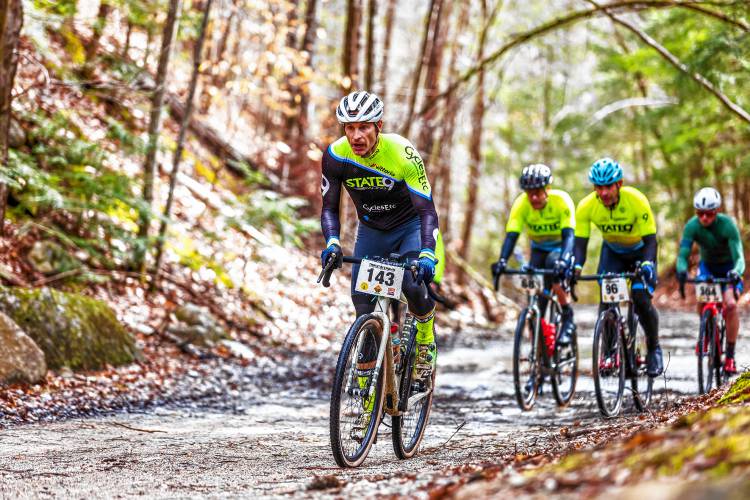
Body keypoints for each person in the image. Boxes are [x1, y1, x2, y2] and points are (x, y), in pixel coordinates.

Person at [320, 90, 440, 388]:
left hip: (409, 227)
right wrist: (333, 242)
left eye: (364, 127)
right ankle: (366, 400)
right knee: (363, 303)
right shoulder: (336, 156)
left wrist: (426, 252)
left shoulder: (402, 153)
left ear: (379, 126)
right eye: (350, 128)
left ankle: (425, 339)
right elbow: (328, 208)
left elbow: (427, 211)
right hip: (372, 232)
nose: (356, 136)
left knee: (412, 285)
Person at [573, 157, 663, 377]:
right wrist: (575, 269)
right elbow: (579, 246)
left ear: (619, 184)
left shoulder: (636, 200)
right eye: (598, 187)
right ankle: (609, 352)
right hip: (613, 253)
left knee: (641, 299)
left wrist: (647, 264)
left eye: (608, 187)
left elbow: (651, 240)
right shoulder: (586, 206)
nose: (603, 193)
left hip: (641, 252)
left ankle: (654, 348)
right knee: (607, 299)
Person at [491, 164, 577, 344]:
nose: (534, 197)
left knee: (555, 273)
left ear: (548, 189)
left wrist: (564, 260)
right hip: (538, 249)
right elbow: (511, 236)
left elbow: (569, 236)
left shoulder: (561, 201)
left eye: (538, 192)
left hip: (559, 249)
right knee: (537, 297)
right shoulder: (521, 204)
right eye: (530, 193)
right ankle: (538, 348)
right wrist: (502, 261)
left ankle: (568, 316)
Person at [676, 187, 744, 375]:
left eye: (709, 213)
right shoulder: (692, 226)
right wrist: (681, 270)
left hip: (729, 268)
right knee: (702, 296)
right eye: (700, 213)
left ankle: (729, 355)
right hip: (708, 267)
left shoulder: (727, 225)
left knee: (730, 305)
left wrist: (736, 272)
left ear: (717, 211)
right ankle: (706, 330)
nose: (704, 218)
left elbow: (739, 257)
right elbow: (683, 254)